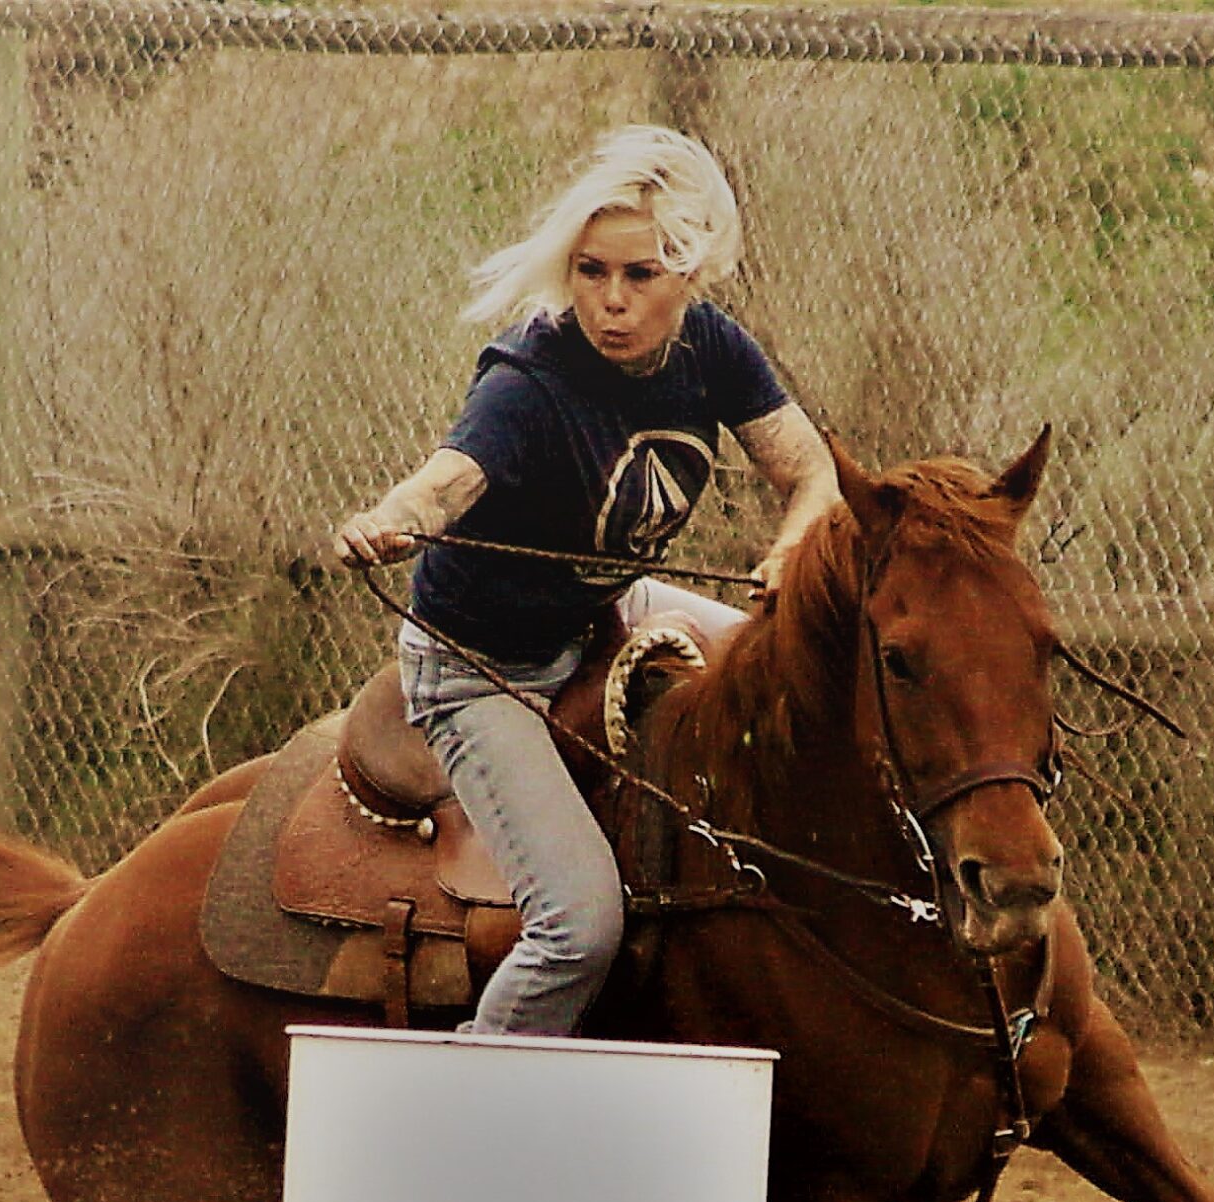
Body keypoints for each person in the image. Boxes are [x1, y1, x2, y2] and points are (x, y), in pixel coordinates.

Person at [334, 125, 838, 1038]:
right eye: (591, 271)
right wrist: (393, 517)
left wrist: (793, 550)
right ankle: (474, 1112)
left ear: (689, 274)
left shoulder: (714, 350)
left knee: (791, 676)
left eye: (639, 276)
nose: (611, 300)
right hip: (480, 667)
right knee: (578, 929)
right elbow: (449, 478)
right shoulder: (529, 381)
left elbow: (811, 475)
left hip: (602, 611)